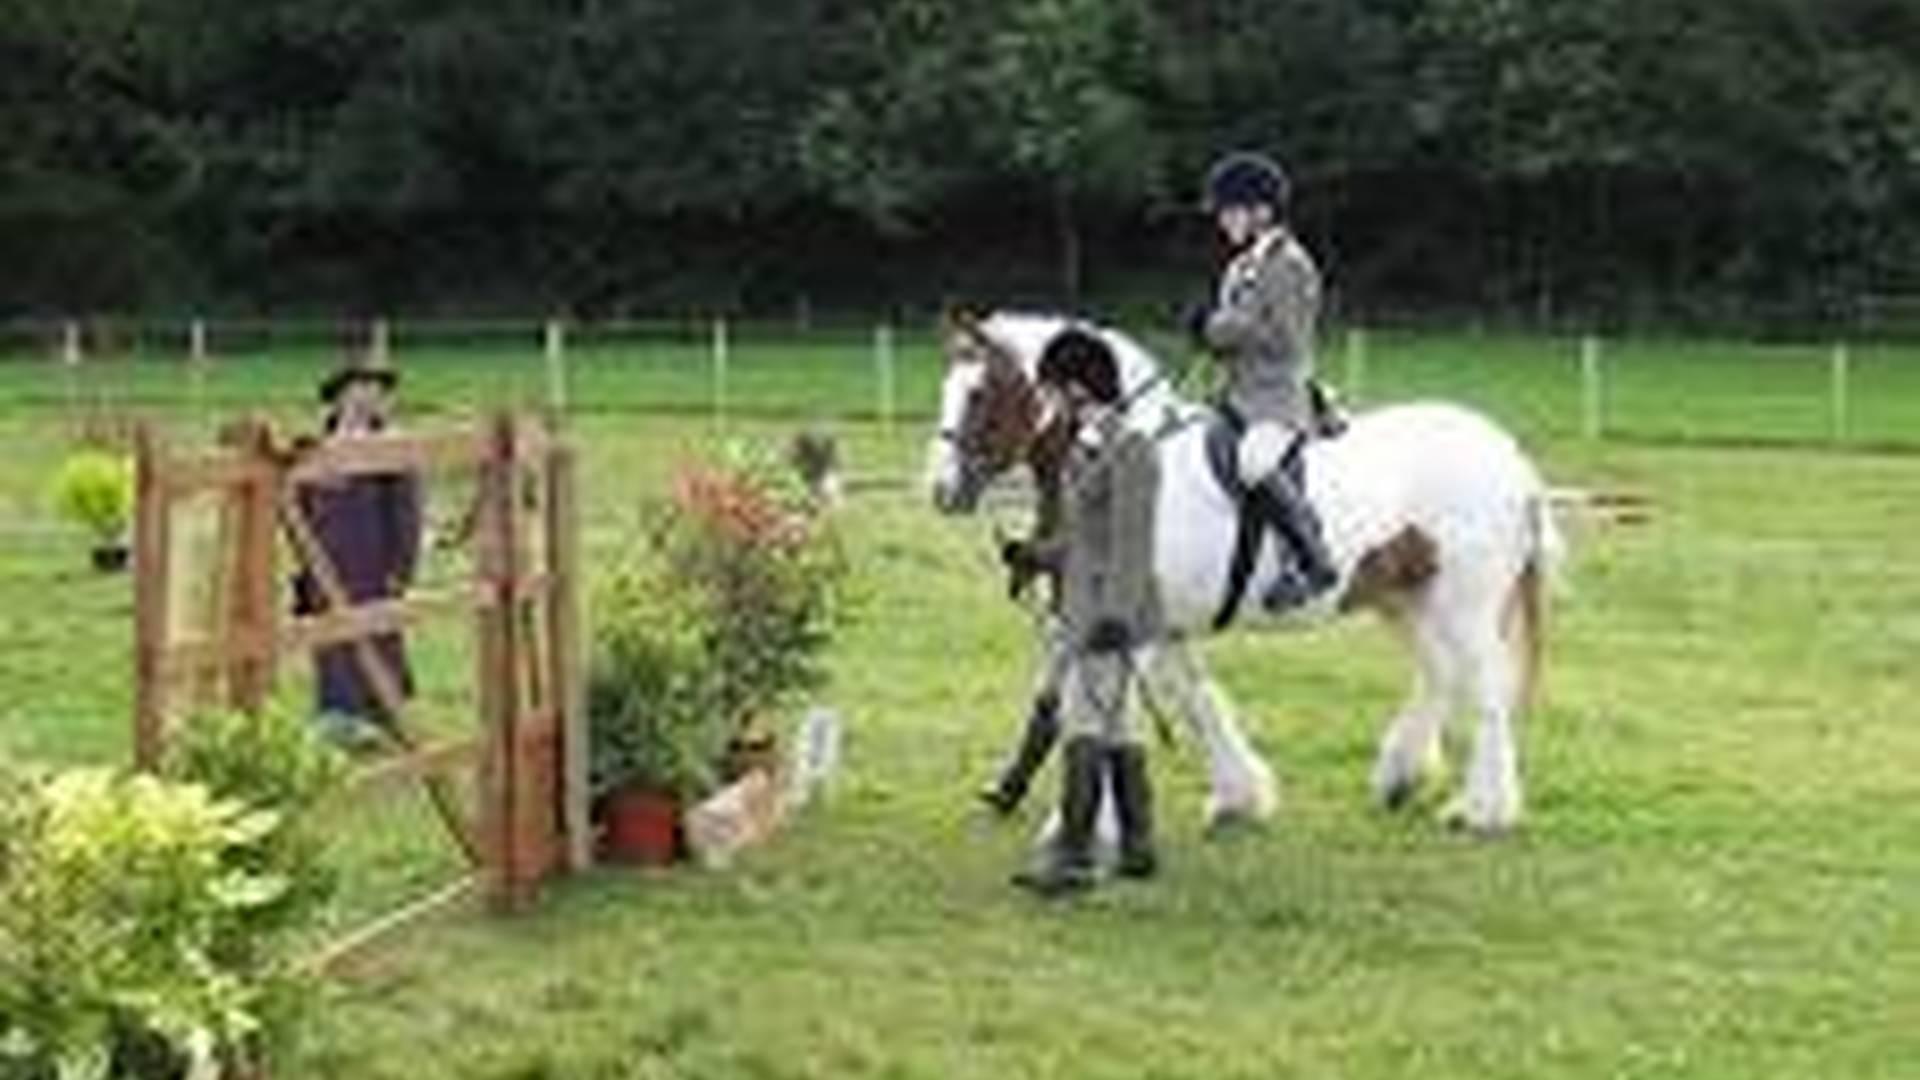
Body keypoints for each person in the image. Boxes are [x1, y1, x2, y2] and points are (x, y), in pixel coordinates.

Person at [1011, 327, 1163, 897]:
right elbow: (1082, 537)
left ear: (1077, 389)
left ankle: (1073, 857)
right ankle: (1139, 846)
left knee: (1082, 721)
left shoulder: (1132, 449)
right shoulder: (1085, 446)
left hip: (1112, 617)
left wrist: (1116, 616)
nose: (1048, 403)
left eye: (1051, 391)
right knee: (1120, 728)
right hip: (1084, 607)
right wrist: (1035, 555)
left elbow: (1132, 544)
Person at [1187, 150, 1339, 611]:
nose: (1222, 221)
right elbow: (1234, 335)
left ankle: (1313, 563)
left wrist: (1216, 327)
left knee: (1255, 463)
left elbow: (1286, 339)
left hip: (1278, 397)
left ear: (1261, 212)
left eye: (1229, 211)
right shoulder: (1240, 267)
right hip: (1235, 396)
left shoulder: (1289, 264)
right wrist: (1207, 339)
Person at [294, 354, 422, 747]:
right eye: (360, 387)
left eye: (376, 388)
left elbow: (407, 513)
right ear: (339, 397)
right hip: (325, 560)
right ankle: (337, 719)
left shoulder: (392, 448)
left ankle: (383, 715)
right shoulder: (315, 445)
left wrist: (402, 567)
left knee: (379, 637)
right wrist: (303, 561)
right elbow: (298, 505)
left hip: (373, 561)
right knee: (331, 641)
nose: (369, 396)